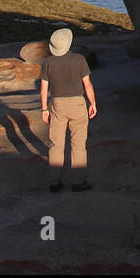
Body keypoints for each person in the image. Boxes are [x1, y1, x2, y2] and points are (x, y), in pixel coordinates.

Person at [39, 27, 97, 192]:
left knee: (56, 145)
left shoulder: (48, 63)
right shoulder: (79, 59)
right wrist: (92, 103)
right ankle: (79, 182)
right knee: (78, 144)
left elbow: (44, 90)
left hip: (57, 105)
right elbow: (87, 85)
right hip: (78, 104)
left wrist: (44, 109)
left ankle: (54, 182)